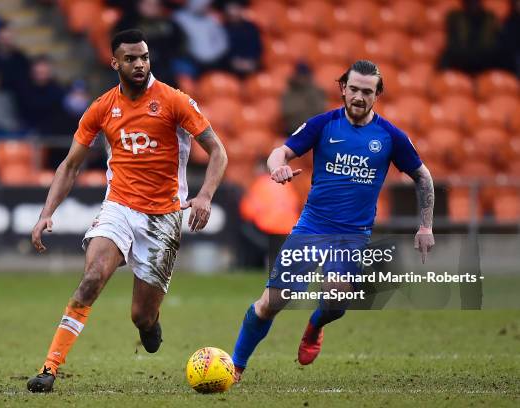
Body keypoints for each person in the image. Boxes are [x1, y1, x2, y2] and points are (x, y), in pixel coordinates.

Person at [26, 29, 228, 393]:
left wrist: (205, 196)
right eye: (131, 58)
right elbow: (70, 165)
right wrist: (46, 212)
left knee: (141, 315)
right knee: (91, 279)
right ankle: (49, 368)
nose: (139, 64)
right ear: (114, 62)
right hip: (118, 207)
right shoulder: (102, 107)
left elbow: (218, 151)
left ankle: (150, 325)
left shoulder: (174, 101)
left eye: (144, 57)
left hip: (163, 218)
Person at [230, 60, 435, 382]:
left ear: (377, 94)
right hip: (312, 227)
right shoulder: (323, 125)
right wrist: (277, 168)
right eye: (353, 89)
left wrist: (425, 225)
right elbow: (279, 152)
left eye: (367, 92)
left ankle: (315, 327)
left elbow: (423, 178)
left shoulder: (391, 136)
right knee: (272, 302)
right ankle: (237, 366)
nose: (359, 97)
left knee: (336, 302)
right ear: (343, 88)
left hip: (353, 235)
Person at [438, 0, 500, 74]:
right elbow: (453, 46)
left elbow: (492, 47)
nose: (473, 3)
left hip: (485, 63)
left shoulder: (490, 18)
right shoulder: (455, 17)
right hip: (459, 62)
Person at [281, 62, 327, 136]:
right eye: (300, 75)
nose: (302, 78)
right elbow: (287, 112)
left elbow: (320, 111)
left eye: (304, 75)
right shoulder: (289, 91)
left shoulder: (317, 91)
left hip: (313, 130)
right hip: (292, 130)